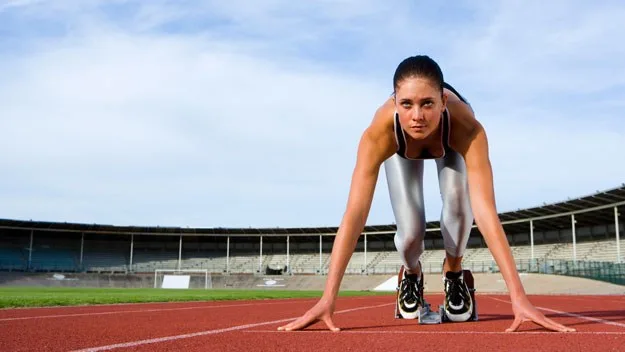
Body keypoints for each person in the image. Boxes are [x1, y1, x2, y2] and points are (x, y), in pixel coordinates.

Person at [277, 55, 575, 333]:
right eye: (406, 104)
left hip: (451, 143)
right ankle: (411, 273)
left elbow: (484, 210)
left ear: (444, 101)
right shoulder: (379, 133)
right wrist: (328, 298)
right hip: (400, 151)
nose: (417, 116)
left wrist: (518, 297)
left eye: (427, 104)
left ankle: (454, 272)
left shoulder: (467, 128)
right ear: (394, 102)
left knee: (459, 210)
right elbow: (355, 214)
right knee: (410, 233)